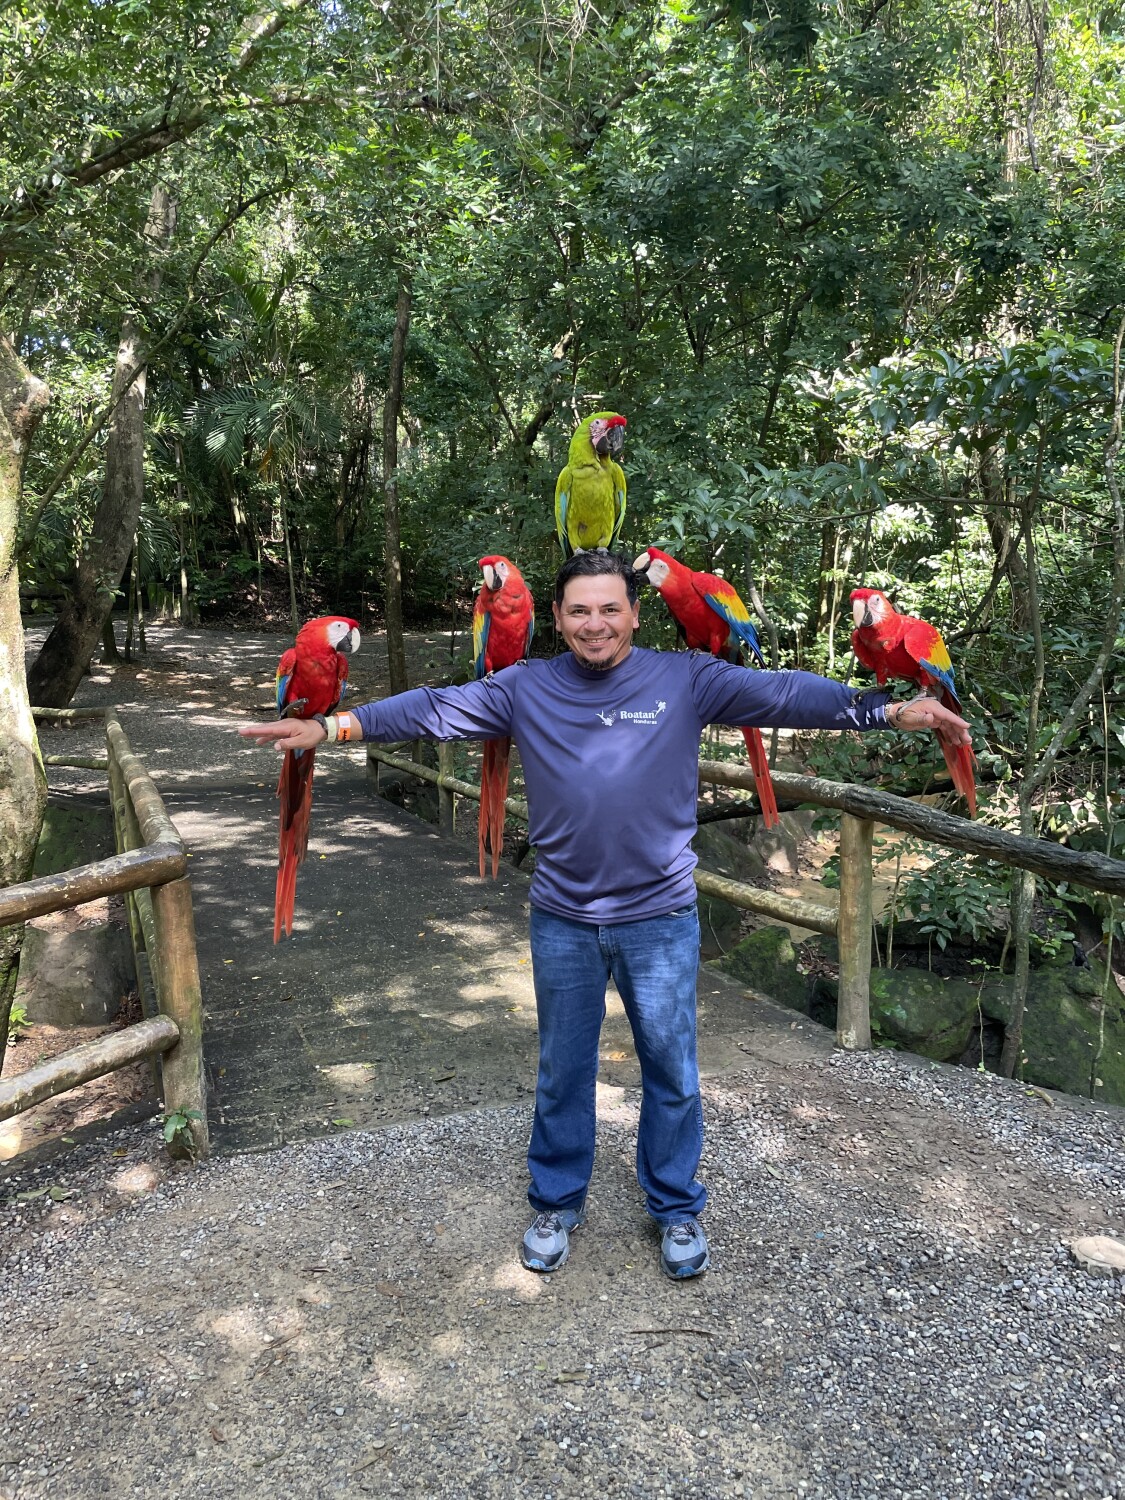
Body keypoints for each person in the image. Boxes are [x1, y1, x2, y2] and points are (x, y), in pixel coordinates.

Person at [240, 552, 972, 1280]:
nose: (595, 624)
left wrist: (880, 708)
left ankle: (675, 1206)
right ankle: (555, 1201)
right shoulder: (524, 686)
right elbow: (434, 706)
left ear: (634, 612)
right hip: (562, 917)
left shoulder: (684, 677)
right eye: (580, 611)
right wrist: (333, 730)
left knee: (672, 1071)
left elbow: (779, 693)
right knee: (563, 1069)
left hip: (659, 917)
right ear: (555, 619)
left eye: (609, 608)